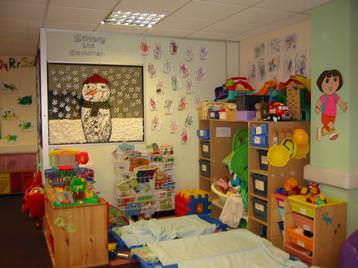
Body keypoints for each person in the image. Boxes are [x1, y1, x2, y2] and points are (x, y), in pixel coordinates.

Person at [315, 69, 348, 140]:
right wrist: (317, 108)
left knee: (327, 128)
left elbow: (340, 102)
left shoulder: (335, 96)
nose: (331, 84)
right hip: (325, 114)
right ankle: (333, 135)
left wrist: (343, 107)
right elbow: (319, 103)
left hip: (333, 115)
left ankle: (320, 132)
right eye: (327, 81)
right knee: (330, 125)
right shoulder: (324, 97)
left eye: (335, 80)